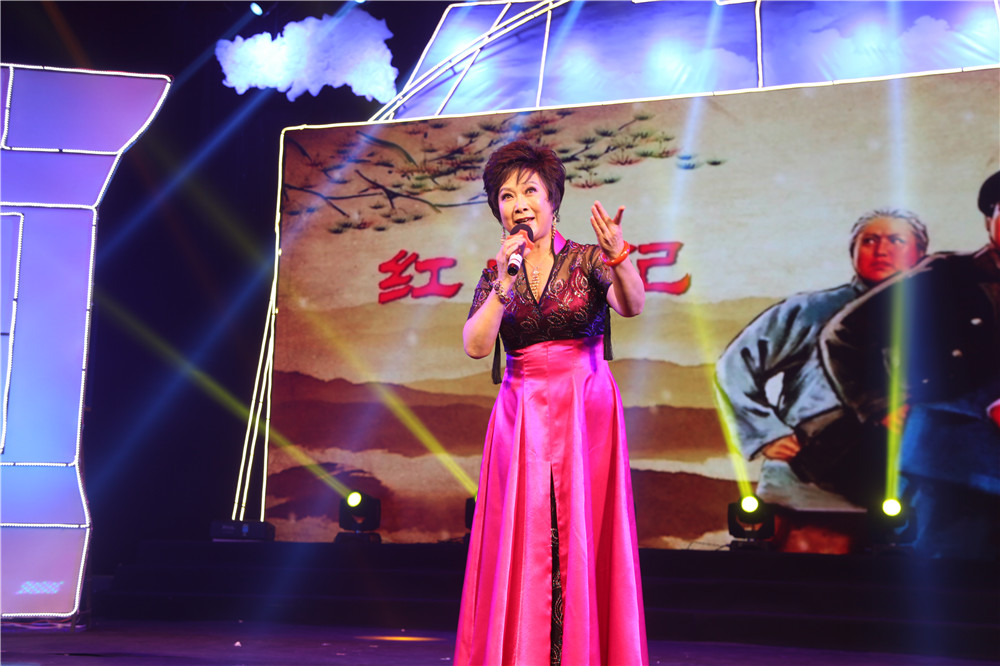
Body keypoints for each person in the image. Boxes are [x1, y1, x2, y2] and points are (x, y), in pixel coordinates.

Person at [456, 140, 648, 665]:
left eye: (529, 191)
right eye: (506, 195)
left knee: (582, 534)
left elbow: (631, 305)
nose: (518, 204)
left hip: (584, 406)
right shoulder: (497, 274)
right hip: (520, 412)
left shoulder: (588, 259)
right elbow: (476, 346)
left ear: (552, 201)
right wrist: (504, 282)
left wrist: (619, 254)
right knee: (525, 535)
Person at [715, 209, 928, 553]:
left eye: (896, 240)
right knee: (781, 573)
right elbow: (735, 366)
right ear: (853, 250)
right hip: (803, 475)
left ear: (921, 252)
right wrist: (767, 432)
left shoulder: (946, 319)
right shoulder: (809, 310)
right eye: (869, 240)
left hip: (902, 475)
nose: (881, 250)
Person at [821, 171, 1000, 559]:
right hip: (950, 461)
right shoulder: (947, 275)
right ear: (990, 219)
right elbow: (845, 334)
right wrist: (879, 403)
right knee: (945, 574)